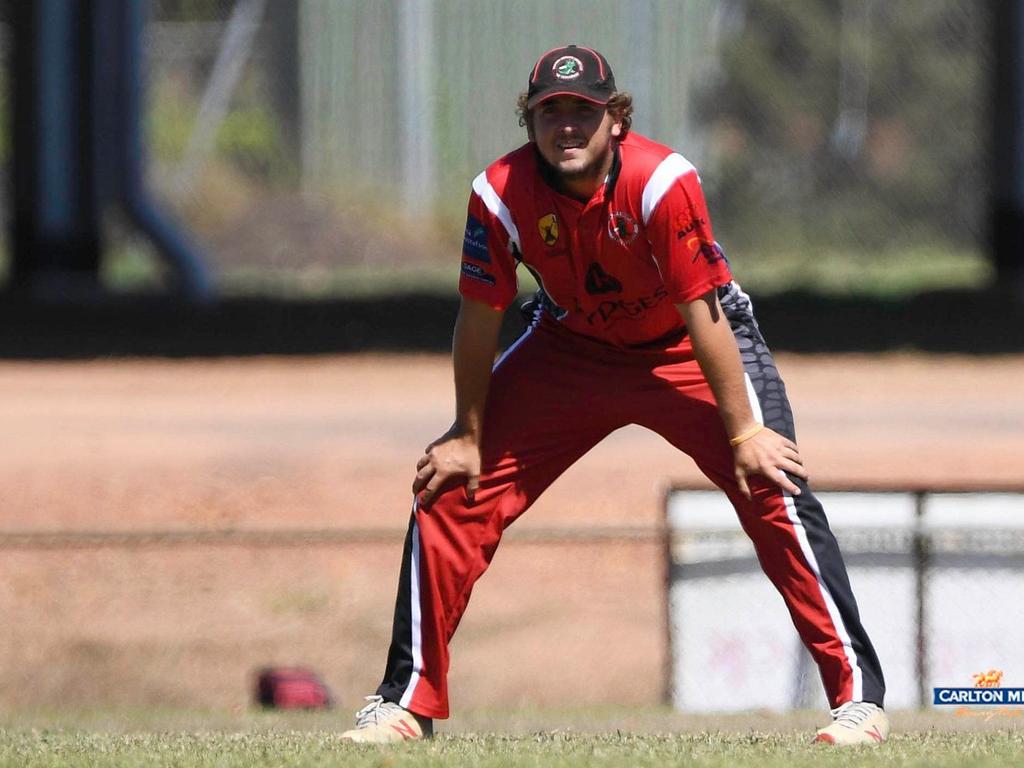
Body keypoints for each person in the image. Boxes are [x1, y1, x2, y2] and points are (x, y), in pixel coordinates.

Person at [340, 45, 888, 746]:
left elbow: (704, 309)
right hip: (572, 348)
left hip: (689, 347)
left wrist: (746, 434)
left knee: (773, 482)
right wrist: (466, 432)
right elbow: (478, 317)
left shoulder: (663, 181)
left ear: (616, 119)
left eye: (583, 112)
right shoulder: (498, 194)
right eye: (550, 112)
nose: (566, 127)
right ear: (530, 120)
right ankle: (404, 703)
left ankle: (858, 701)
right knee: (450, 488)